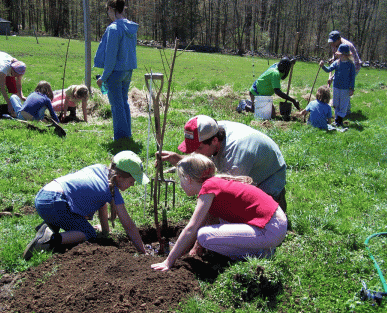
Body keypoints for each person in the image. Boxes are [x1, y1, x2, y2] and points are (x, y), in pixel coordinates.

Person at [151, 153, 288, 271]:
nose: (181, 185)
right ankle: (260, 247)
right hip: (276, 222)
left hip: (270, 229)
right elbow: (209, 219)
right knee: (214, 228)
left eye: (181, 180)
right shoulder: (215, 183)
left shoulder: (208, 188)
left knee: (205, 236)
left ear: (188, 179)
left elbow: (192, 228)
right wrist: (194, 248)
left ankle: (259, 253)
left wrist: (169, 261)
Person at [23, 150, 148, 260]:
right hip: (55, 203)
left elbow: (101, 204)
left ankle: (50, 225)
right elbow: (129, 226)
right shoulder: (112, 191)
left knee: (80, 223)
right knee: (88, 233)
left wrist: (105, 231)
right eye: (132, 181)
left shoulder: (101, 170)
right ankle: (48, 241)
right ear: (119, 177)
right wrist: (143, 251)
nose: (132, 185)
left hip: (44, 197)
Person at [160, 115, 288, 211]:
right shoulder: (209, 130)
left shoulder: (236, 156)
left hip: (268, 177)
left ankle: (277, 204)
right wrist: (179, 159)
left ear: (215, 141)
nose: (194, 153)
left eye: (198, 149)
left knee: (241, 211)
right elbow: (203, 159)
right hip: (246, 165)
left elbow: (225, 193)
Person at [94, 0, 138, 141]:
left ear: (112, 9)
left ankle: (120, 138)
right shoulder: (130, 27)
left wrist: (103, 78)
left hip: (115, 72)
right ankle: (127, 134)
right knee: (123, 102)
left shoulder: (113, 29)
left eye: (108, 10)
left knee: (117, 105)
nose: (108, 13)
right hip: (128, 71)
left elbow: (111, 57)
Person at [319, 44, 356, 127]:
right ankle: (336, 119)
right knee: (336, 103)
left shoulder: (350, 65)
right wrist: (322, 66)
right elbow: (329, 69)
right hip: (336, 86)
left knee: (343, 104)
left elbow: (352, 78)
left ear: (344, 55)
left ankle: (339, 120)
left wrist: (352, 88)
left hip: (345, 88)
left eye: (339, 54)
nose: (337, 55)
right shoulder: (336, 63)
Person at [327, 30, 362, 115]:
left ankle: (346, 110)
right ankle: (340, 108)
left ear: (339, 39)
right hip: (341, 64)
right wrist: (330, 76)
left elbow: (347, 64)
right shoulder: (334, 44)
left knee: (345, 87)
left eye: (333, 41)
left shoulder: (347, 46)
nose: (332, 44)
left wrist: (333, 77)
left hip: (353, 66)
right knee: (339, 85)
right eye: (331, 42)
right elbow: (336, 57)